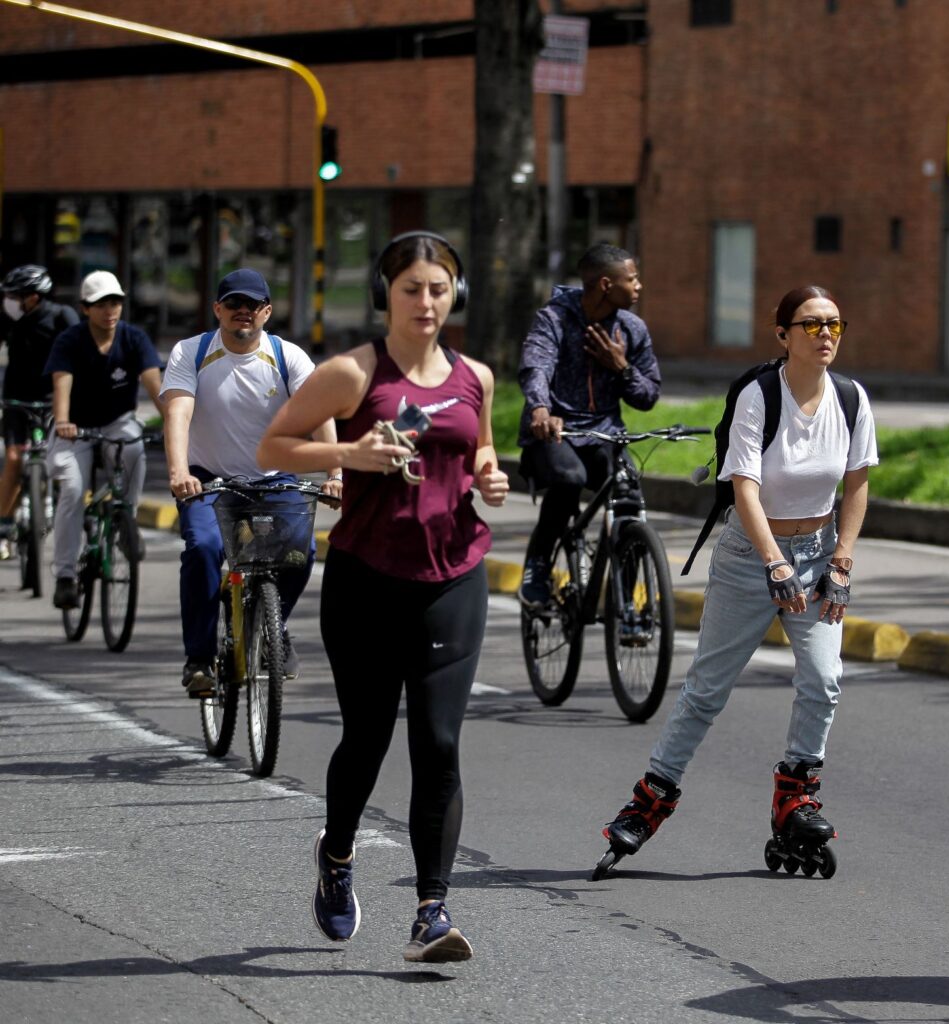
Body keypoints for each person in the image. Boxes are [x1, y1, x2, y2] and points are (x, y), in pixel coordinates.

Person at [257, 231, 509, 963]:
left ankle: (432, 911)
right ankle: (336, 858)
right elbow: (275, 446)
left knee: (437, 743)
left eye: (438, 288)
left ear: (453, 293)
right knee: (367, 739)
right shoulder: (351, 374)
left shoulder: (476, 378)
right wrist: (350, 453)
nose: (426, 302)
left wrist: (488, 476)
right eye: (412, 289)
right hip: (367, 580)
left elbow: (479, 447)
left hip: (453, 576)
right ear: (386, 293)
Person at [593, 285, 877, 874]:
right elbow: (743, 487)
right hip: (752, 554)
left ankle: (795, 795)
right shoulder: (758, 395)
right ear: (782, 335)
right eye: (811, 325)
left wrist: (842, 561)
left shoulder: (851, 398)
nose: (825, 335)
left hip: (818, 553)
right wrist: (773, 562)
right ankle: (650, 800)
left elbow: (857, 483)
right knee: (707, 690)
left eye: (835, 325)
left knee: (824, 679)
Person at [161, 268, 341, 696]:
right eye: (234, 304)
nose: (244, 312)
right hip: (207, 479)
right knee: (204, 549)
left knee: (303, 552)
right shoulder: (191, 352)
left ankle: (272, 626)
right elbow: (178, 413)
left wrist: (336, 473)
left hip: (274, 479)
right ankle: (200, 659)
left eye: (253, 305)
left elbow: (319, 413)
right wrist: (178, 472)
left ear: (267, 312)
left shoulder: (287, 356)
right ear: (217, 309)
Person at [516, 243, 661, 605]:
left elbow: (647, 397)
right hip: (554, 431)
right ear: (606, 285)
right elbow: (537, 366)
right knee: (569, 479)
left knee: (629, 501)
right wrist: (540, 409)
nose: (639, 286)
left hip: (604, 434)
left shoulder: (631, 329)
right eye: (633, 279)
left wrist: (622, 367)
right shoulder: (554, 319)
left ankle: (628, 604)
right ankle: (537, 565)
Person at [44, 271, 164, 610]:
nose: (109, 310)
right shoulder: (70, 340)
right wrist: (64, 421)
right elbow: (61, 384)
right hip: (76, 427)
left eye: (115, 302)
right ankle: (66, 576)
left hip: (117, 423)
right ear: (85, 308)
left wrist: (173, 423)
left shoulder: (134, 338)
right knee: (71, 488)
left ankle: (127, 519)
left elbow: (155, 387)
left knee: (136, 448)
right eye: (100, 304)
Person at [0, 265, 80, 558]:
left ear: (33, 297)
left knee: (62, 460)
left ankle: (63, 509)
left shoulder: (61, 316)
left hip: (54, 400)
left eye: (15, 295)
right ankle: (4, 525)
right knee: (13, 457)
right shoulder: (9, 318)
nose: (9, 300)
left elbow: (80, 351)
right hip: (16, 400)